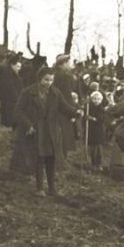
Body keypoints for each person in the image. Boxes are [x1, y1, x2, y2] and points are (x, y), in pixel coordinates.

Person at [14, 67, 82, 197]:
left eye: (51, 80)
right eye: (46, 79)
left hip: (51, 130)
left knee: (51, 158)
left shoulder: (55, 93)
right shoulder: (28, 93)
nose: (49, 82)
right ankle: (39, 188)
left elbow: (65, 107)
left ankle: (52, 188)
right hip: (35, 130)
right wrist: (28, 124)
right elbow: (18, 111)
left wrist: (76, 111)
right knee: (40, 158)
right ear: (40, 79)